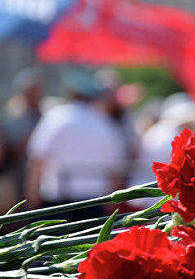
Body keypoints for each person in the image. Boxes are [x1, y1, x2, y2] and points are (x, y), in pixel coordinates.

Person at [26, 69, 128, 220]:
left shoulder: (56, 117)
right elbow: (115, 171)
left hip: (57, 202)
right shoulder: (105, 124)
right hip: (94, 205)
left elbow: (37, 159)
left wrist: (32, 197)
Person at [1, 69, 44, 207]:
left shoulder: (46, 116)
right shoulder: (13, 119)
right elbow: (6, 153)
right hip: (17, 177)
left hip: (43, 179)